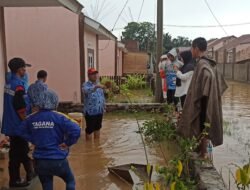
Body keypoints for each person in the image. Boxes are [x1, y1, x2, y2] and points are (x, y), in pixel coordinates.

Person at [18, 90, 81, 190]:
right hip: (58, 160)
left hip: (40, 161)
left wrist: (33, 139)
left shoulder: (31, 118)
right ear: (55, 102)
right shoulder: (59, 116)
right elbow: (77, 129)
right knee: (70, 181)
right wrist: (67, 143)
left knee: (47, 184)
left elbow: (20, 131)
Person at [177, 38, 228, 158]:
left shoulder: (202, 64)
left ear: (196, 48)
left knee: (201, 128)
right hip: (207, 102)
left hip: (204, 104)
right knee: (205, 129)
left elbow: (208, 77)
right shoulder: (211, 63)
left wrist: (205, 95)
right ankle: (203, 155)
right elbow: (219, 85)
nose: (190, 50)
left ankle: (203, 155)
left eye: (191, 48)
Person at [1, 58, 34, 187]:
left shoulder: (8, 84)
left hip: (10, 123)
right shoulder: (19, 85)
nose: (25, 70)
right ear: (20, 69)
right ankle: (14, 180)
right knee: (17, 154)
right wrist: (26, 121)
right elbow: (20, 107)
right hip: (17, 125)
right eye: (24, 68)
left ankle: (30, 172)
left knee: (21, 150)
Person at [82, 68, 105, 141]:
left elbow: (102, 97)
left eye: (96, 73)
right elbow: (86, 91)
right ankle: (88, 148)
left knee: (98, 128)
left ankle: (96, 146)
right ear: (88, 75)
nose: (95, 75)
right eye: (93, 74)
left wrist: (104, 107)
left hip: (99, 111)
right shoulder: (85, 85)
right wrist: (96, 87)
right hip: (90, 112)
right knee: (89, 130)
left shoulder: (99, 84)